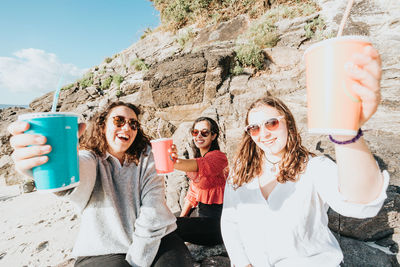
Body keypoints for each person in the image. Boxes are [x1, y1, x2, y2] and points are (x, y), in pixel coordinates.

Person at [221, 46, 389, 267]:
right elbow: (231, 221)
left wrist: (347, 132)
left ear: (288, 124)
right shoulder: (241, 171)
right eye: (254, 128)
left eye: (271, 123)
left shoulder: (314, 167)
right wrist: (243, 263)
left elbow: (360, 203)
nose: (264, 134)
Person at [8, 101, 193, 267]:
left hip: (158, 238)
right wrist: (53, 163)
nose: (127, 127)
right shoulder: (91, 158)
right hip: (104, 249)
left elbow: (154, 212)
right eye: (119, 121)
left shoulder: (148, 157)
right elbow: (78, 177)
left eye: (133, 123)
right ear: (103, 126)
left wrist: (137, 262)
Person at [169, 117, 228, 246]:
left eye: (205, 132)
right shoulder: (200, 158)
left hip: (217, 225)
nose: (199, 136)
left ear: (213, 136)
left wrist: (171, 160)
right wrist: (183, 218)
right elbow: (192, 195)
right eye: (195, 132)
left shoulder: (219, 158)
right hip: (202, 216)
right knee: (166, 220)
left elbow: (201, 165)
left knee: (167, 225)